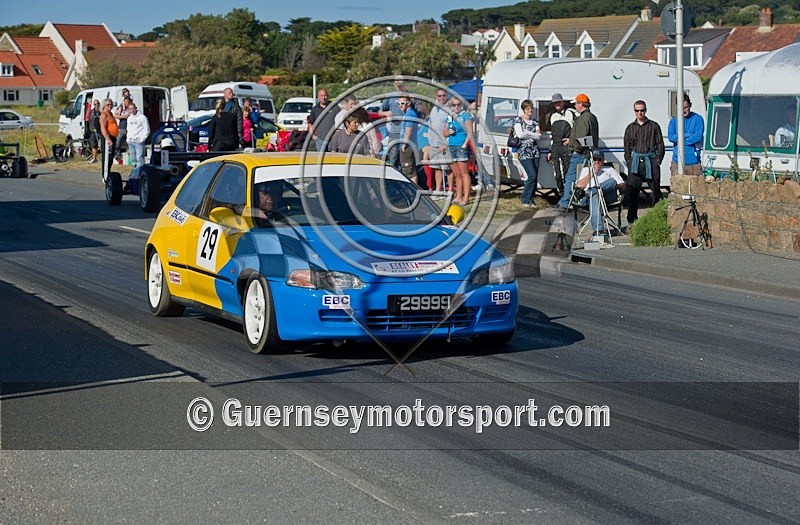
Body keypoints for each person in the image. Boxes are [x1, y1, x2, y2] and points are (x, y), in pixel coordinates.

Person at [623, 99, 665, 225]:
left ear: (645, 111)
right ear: (634, 111)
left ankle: (658, 218)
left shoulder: (654, 126)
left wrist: (658, 160)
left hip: (650, 160)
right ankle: (632, 220)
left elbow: (660, 144)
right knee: (633, 192)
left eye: (642, 110)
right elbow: (627, 147)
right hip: (636, 161)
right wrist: (629, 162)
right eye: (637, 110)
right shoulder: (630, 128)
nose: (640, 113)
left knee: (656, 190)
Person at [557, 93, 598, 209]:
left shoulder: (582, 118)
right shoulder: (592, 117)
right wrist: (571, 140)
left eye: (575, 103)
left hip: (580, 155)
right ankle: (581, 202)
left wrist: (574, 147)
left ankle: (565, 203)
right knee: (585, 180)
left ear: (581, 104)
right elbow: (588, 138)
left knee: (570, 178)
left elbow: (582, 138)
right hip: (589, 154)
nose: (574, 106)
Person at [575, 151, 625, 236]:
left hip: (606, 198)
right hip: (588, 199)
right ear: (591, 160)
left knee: (612, 181)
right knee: (596, 195)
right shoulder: (586, 170)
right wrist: (593, 173)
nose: (597, 162)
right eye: (594, 159)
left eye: (599, 159)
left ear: (603, 160)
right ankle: (599, 230)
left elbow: (622, 185)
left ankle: (592, 191)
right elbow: (578, 186)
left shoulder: (609, 169)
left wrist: (598, 189)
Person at [443, 97, 474, 206]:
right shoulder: (450, 117)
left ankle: (466, 198)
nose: (456, 107)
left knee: (464, 173)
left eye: (458, 104)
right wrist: (449, 132)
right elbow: (444, 133)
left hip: (461, 146)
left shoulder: (465, 115)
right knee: (456, 174)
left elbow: (470, 132)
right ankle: (458, 196)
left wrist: (465, 145)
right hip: (452, 146)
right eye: (454, 105)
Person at [513, 99, 542, 208]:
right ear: (524, 109)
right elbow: (520, 135)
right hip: (524, 151)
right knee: (531, 175)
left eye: (531, 108)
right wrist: (533, 133)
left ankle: (531, 199)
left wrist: (527, 133)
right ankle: (525, 198)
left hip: (535, 151)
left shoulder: (535, 122)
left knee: (535, 177)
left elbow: (539, 136)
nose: (530, 110)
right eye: (528, 109)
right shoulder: (518, 120)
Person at [546, 92, 576, 195]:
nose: (557, 104)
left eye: (558, 102)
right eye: (555, 103)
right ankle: (561, 194)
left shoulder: (571, 113)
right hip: (555, 147)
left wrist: (571, 140)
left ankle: (568, 194)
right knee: (557, 173)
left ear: (562, 102)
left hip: (566, 147)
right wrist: (550, 150)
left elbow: (579, 129)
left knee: (567, 172)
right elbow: (552, 135)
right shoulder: (552, 116)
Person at [668, 94, 704, 177]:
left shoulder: (698, 119)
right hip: (677, 163)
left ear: (690, 105)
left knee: (695, 190)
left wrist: (680, 139)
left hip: (694, 164)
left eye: (685, 107)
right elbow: (671, 137)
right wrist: (688, 135)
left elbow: (697, 137)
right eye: (681, 108)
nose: (683, 110)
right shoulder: (673, 121)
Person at [379, 77, 409, 169]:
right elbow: (379, 112)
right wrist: (386, 113)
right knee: (393, 160)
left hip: (408, 132)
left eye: (401, 83)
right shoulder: (390, 96)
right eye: (397, 83)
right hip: (394, 133)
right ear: (394, 84)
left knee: (407, 162)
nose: (399, 86)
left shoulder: (410, 96)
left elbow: (421, 111)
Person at [427, 88, 452, 195]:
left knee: (448, 169)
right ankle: (438, 190)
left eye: (444, 96)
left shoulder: (449, 110)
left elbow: (451, 128)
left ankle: (450, 190)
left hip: (444, 144)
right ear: (436, 97)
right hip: (433, 143)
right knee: (436, 168)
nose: (442, 98)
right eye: (439, 96)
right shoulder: (434, 108)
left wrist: (445, 143)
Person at [308, 88, 340, 152]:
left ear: (328, 96)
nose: (323, 97)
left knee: (333, 159)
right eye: (321, 95)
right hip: (320, 139)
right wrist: (312, 136)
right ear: (318, 97)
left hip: (333, 139)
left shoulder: (334, 107)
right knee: (321, 160)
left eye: (325, 95)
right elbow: (310, 124)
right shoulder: (315, 109)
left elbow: (340, 121)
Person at [399, 95, 420, 185]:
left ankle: (413, 192)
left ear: (408, 104)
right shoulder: (408, 113)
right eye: (399, 103)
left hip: (408, 146)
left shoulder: (410, 114)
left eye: (402, 103)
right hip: (409, 145)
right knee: (409, 170)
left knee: (409, 172)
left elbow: (408, 131)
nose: (400, 105)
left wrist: (404, 144)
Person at [99, 98, 119, 182]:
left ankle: (108, 174)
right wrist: (107, 139)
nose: (110, 106)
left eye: (111, 104)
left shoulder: (110, 113)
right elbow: (103, 128)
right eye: (108, 105)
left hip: (113, 137)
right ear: (104, 105)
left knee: (111, 158)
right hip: (107, 138)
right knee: (107, 158)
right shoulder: (104, 114)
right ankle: (105, 176)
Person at [125, 103, 150, 169]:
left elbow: (147, 130)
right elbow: (128, 129)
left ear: (136, 108)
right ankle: (135, 173)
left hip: (138, 141)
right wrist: (128, 139)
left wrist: (142, 139)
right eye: (130, 109)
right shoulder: (129, 118)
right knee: (133, 159)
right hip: (131, 141)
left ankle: (140, 173)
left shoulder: (142, 117)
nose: (132, 110)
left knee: (139, 158)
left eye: (133, 108)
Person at [113, 90, 133, 159]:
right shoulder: (121, 107)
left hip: (130, 128)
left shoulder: (131, 107)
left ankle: (129, 155)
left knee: (129, 142)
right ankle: (116, 155)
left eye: (128, 101)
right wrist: (123, 117)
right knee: (118, 142)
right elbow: (115, 115)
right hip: (122, 128)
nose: (127, 102)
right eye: (126, 101)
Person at [87, 99, 102, 163]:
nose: (96, 105)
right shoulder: (91, 112)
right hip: (93, 130)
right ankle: (94, 158)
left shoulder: (102, 111)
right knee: (94, 145)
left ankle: (103, 158)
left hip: (101, 130)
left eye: (98, 103)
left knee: (102, 145)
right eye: (95, 104)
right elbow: (89, 120)